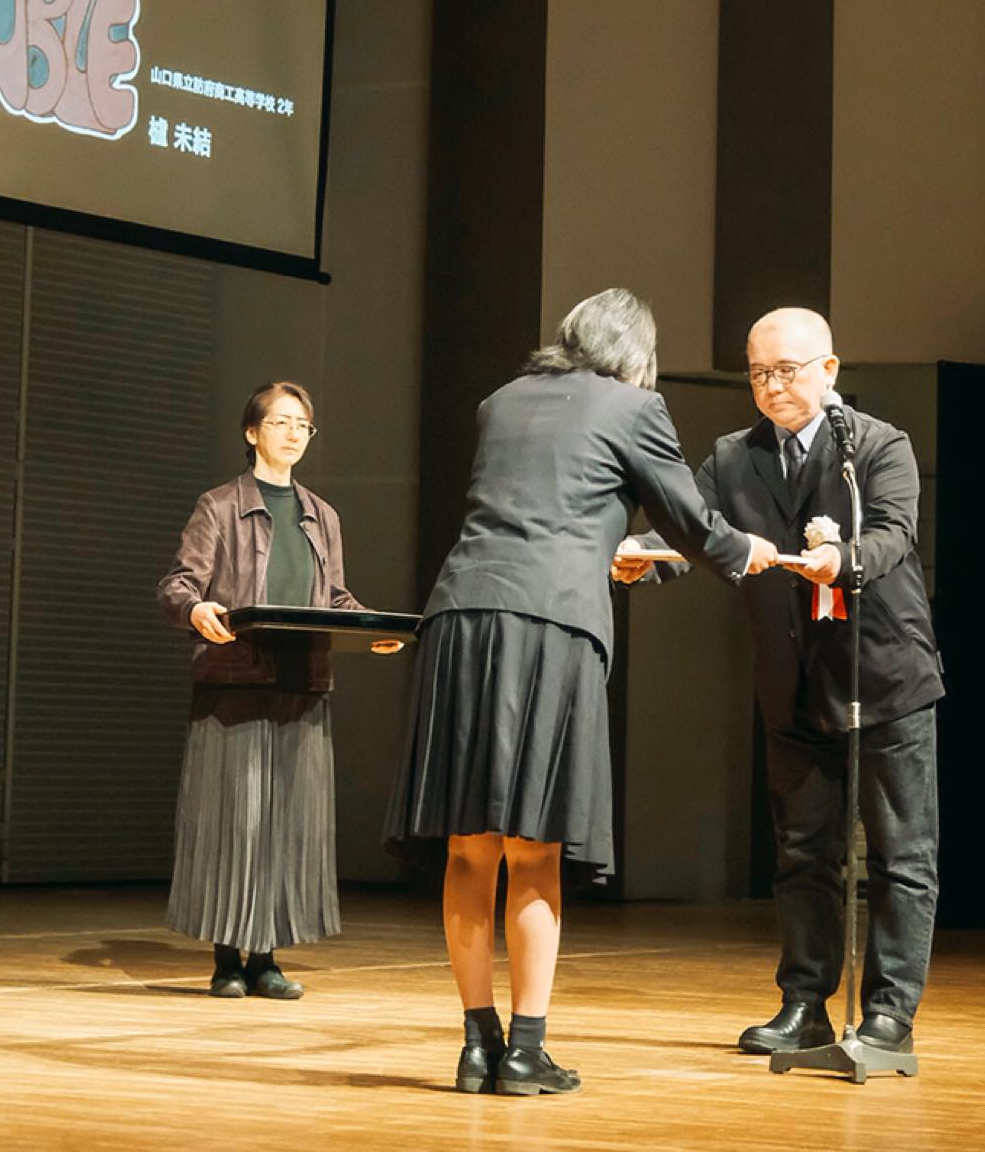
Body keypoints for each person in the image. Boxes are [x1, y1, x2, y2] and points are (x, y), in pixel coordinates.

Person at [385, 288, 779, 1096]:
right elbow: (690, 519)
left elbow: (541, 508)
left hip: (460, 614)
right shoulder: (633, 407)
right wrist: (749, 552)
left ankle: (476, 1045)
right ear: (637, 356)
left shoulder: (500, 402)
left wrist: (610, 547)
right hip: (550, 627)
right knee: (534, 847)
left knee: (469, 847)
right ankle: (526, 1050)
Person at [615, 307, 944, 1056]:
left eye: (787, 370)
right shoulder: (734, 456)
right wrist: (639, 553)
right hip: (789, 680)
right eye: (758, 372)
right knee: (803, 851)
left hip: (883, 676)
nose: (771, 386)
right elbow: (686, 526)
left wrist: (847, 560)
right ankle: (805, 1004)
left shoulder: (876, 446)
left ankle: (890, 1014)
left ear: (829, 371)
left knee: (902, 854)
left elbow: (895, 532)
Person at [157, 381, 372, 1001]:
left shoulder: (322, 515)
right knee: (234, 824)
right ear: (252, 432)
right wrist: (196, 610)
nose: (292, 434)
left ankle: (267, 958)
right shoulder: (219, 506)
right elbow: (178, 583)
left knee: (287, 826)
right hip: (235, 684)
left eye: (303, 425)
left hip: (301, 684)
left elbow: (334, 599)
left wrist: (373, 628)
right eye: (280, 422)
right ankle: (227, 960)